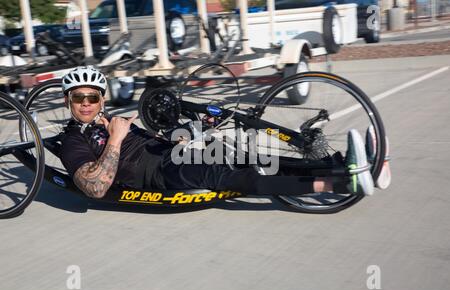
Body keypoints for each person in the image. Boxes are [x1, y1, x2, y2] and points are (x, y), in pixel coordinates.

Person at [59, 66, 375, 199]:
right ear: (68, 101)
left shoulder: (111, 119)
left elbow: (154, 143)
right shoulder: (75, 139)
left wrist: (191, 132)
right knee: (241, 176)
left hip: (174, 155)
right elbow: (94, 187)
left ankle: (343, 163)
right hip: (165, 174)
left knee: (257, 156)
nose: (86, 104)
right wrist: (115, 140)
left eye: (92, 97)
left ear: (102, 99)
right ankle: (343, 183)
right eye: (78, 98)